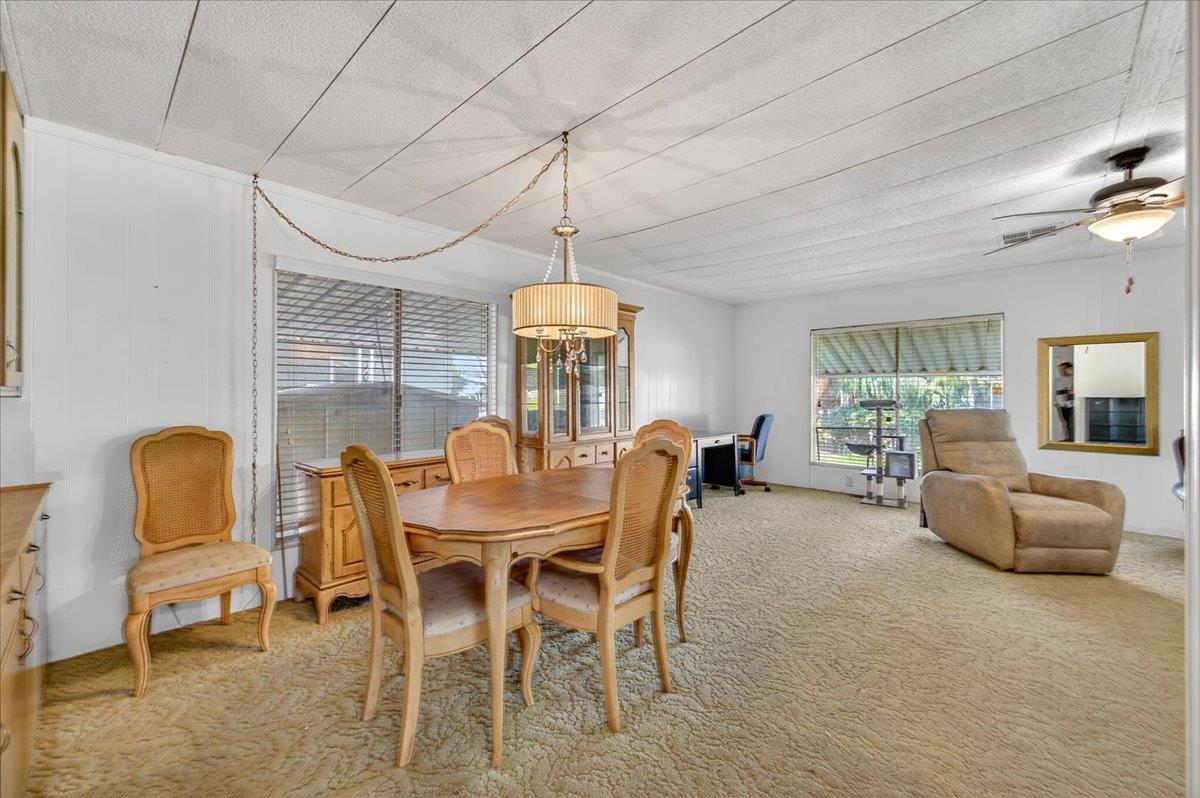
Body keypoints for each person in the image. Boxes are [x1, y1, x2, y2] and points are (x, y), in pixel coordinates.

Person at [1054, 361, 1075, 441]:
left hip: (1072, 405)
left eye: (1063, 369)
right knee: (1063, 422)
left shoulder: (1075, 378)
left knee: (1071, 423)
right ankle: (1066, 439)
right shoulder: (1056, 381)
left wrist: (1066, 392)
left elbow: (1072, 392)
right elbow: (1054, 392)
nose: (1061, 371)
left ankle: (1071, 440)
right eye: (1059, 369)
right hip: (1061, 405)